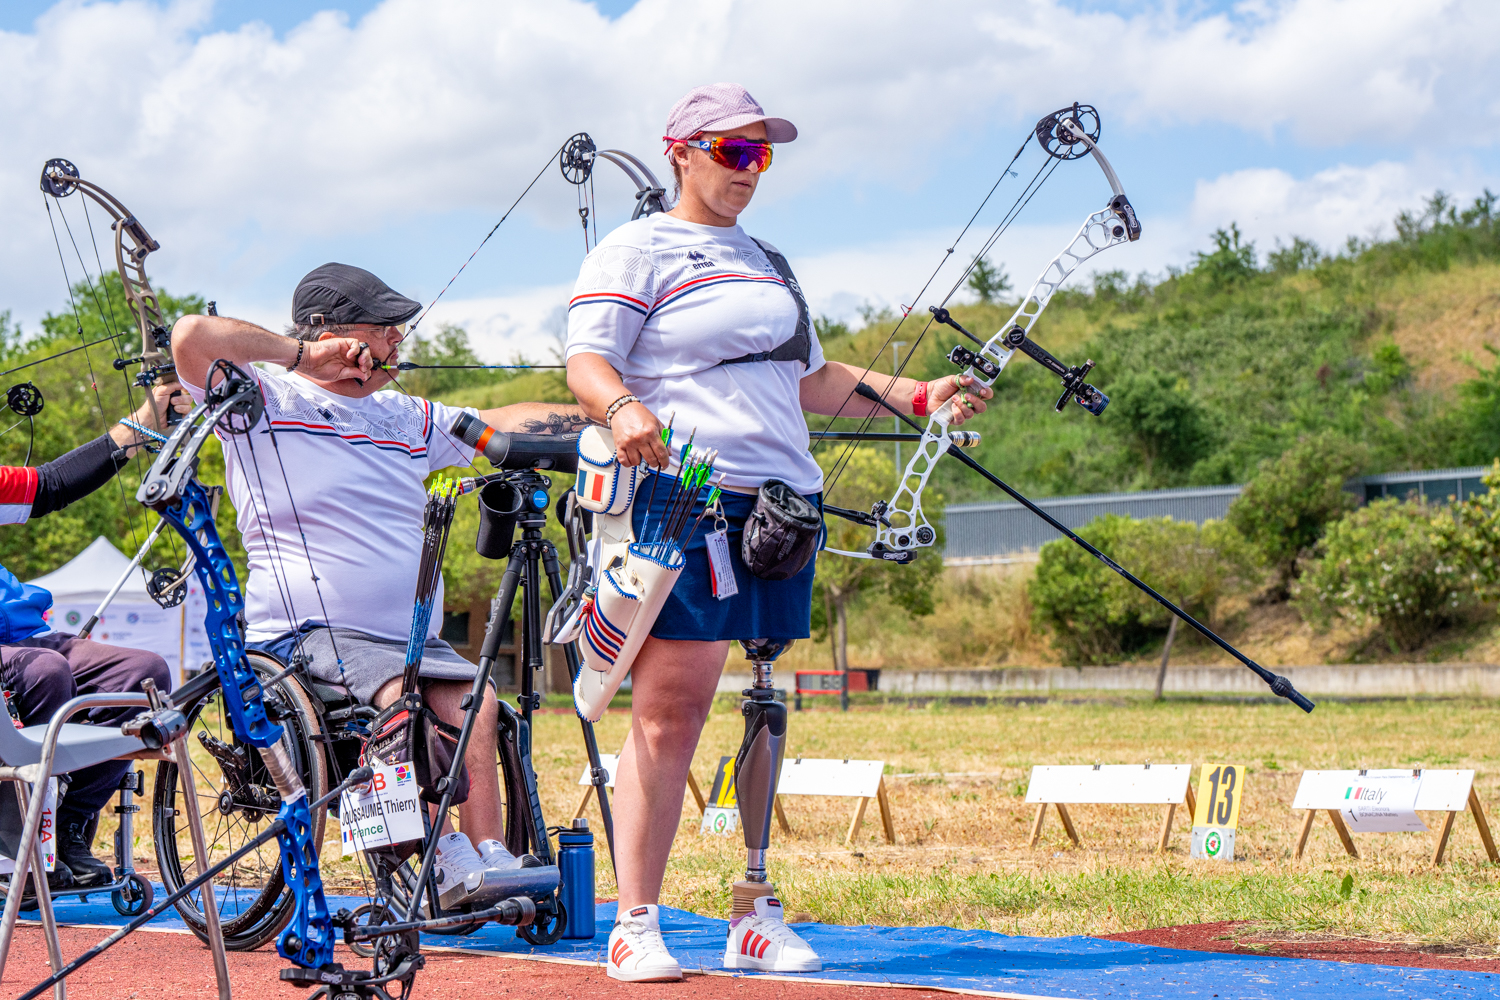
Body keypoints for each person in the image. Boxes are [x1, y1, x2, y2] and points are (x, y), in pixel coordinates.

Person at [565, 83, 992, 982]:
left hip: (781, 503)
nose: (749, 170)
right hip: (684, 498)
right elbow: (587, 361)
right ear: (680, 150)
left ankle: (751, 912)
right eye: (732, 151)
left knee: (764, 698)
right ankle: (634, 920)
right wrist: (625, 407)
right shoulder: (637, 248)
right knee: (669, 711)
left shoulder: (768, 259)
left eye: (762, 154)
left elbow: (813, 377)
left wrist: (919, 397)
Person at [170, 264, 590, 904]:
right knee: (402, 692)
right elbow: (192, 336)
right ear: (332, 332)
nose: (400, 340)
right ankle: (428, 856)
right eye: (385, 328)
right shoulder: (260, 400)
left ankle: (486, 858)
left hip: (404, 637)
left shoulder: (410, 416)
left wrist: (611, 422)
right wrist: (302, 355)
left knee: (470, 697)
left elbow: (502, 421)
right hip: (301, 637)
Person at [0, 382, 189, 891]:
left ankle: (70, 827)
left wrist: (144, 420)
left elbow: (53, 484)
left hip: (19, 637)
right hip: (22, 660)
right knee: (44, 672)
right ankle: (22, 840)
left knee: (142, 672)